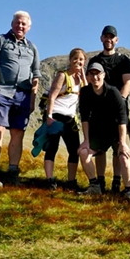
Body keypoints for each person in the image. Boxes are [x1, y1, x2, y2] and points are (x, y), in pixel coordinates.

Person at [0, 11, 41, 187]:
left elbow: (36, 76)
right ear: (12, 23)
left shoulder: (32, 48)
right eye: (17, 23)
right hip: (1, 91)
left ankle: (13, 172)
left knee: (18, 134)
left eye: (24, 24)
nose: (20, 26)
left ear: (29, 27)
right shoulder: (0, 40)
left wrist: (31, 101)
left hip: (22, 96)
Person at [87, 25, 130, 193]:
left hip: (119, 112)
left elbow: (129, 82)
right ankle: (100, 182)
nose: (108, 39)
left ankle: (117, 181)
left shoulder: (123, 61)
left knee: (119, 148)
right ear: (101, 38)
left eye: (111, 37)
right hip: (99, 114)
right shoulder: (95, 61)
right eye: (105, 36)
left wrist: (119, 101)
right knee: (99, 150)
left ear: (116, 40)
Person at [78, 61, 130, 200]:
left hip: (116, 130)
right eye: (91, 74)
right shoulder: (85, 92)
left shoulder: (113, 92)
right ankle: (95, 186)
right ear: (88, 76)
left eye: (97, 74)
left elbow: (122, 119)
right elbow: (84, 117)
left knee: (123, 156)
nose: (95, 77)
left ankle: (128, 191)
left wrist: (122, 142)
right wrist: (86, 140)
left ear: (103, 75)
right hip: (98, 132)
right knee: (83, 152)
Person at [42, 48, 86, 190]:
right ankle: (50, 180)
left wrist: (84, 77)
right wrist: (49, 116)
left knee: (74, 150)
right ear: (70, 60)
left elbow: (87, 94)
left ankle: (71, 181)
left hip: (70, 118)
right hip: (56, 116)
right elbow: (52, 96)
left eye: (81, 59)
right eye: (75, 58)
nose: (78, 61)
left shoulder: (81, 80)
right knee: (52, 148)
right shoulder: (62, 75)